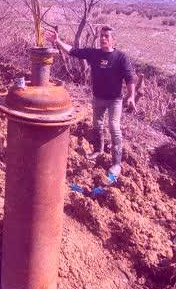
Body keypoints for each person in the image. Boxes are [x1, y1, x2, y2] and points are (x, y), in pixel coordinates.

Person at [50, 25, 136, 178]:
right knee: (97, 124)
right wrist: (57, 41)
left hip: (115, 100)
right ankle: (98, 150)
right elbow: (72, 51)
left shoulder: (121, 57)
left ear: (113, 40)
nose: (103, 38)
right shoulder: (94, 54)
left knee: (114, 127)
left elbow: (130, 78)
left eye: (107, 36)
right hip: (98, 98)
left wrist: (130, 95)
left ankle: (116, 164)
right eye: (102, 35)